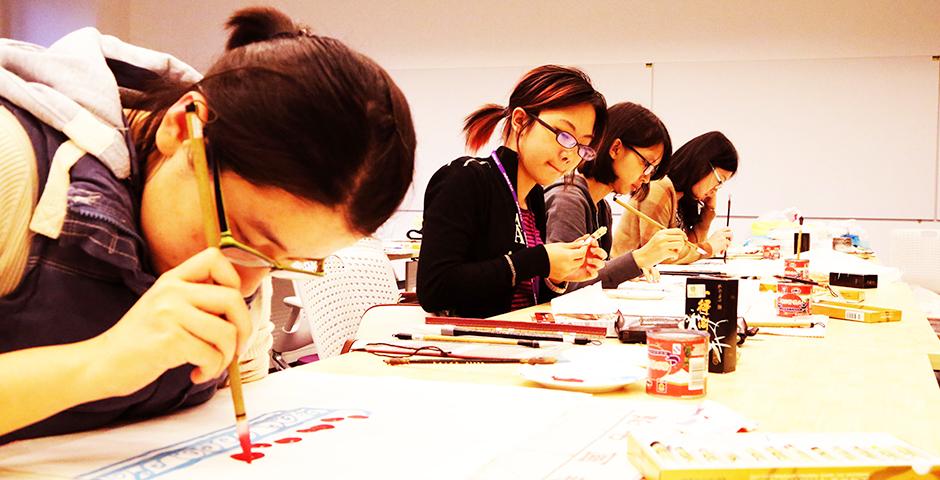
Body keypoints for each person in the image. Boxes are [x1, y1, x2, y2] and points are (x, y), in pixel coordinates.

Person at [0, 6, 415, 442]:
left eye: (285, 261)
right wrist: (100, 364)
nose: (244, 285)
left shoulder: (247, 256)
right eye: (246, 238)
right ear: (183, 127)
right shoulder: (15, 161)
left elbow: (242, 404)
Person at [418, 65, 608, 318]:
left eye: (582, 146)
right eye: (564, 136)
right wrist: (539, 260)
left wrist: (556, 274)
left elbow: (525, 298)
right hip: (469, 347)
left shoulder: (534, 197)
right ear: (520, 120)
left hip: (517, 342)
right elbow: (435, 289)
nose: (569, 156)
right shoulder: (466, 177)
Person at [544, 102, 686, 291]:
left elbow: (593, 273)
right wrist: (639, 259)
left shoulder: (601, 207)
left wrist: (631, 270)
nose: (646, 177)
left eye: (652, 170)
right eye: (646, 164)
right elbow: (569, 286)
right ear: (616, 148)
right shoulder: (567, 199)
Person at [612, 131, 738, 264]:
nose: (716, 190)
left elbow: (690, 247)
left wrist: (708, 211)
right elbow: (660, 254)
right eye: (719, 181)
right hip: (626, 278)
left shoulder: (683, 198)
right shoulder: (659, 187)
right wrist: (709, 247)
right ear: (702, 165)